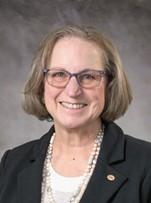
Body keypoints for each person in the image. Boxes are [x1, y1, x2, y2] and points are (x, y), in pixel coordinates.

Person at [0, 25, 151, 203]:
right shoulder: (12, 163)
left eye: (88, 76)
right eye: (59, 74)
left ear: (110, 86)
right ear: (41, 85)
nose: (73, 91)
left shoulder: (146, 164)